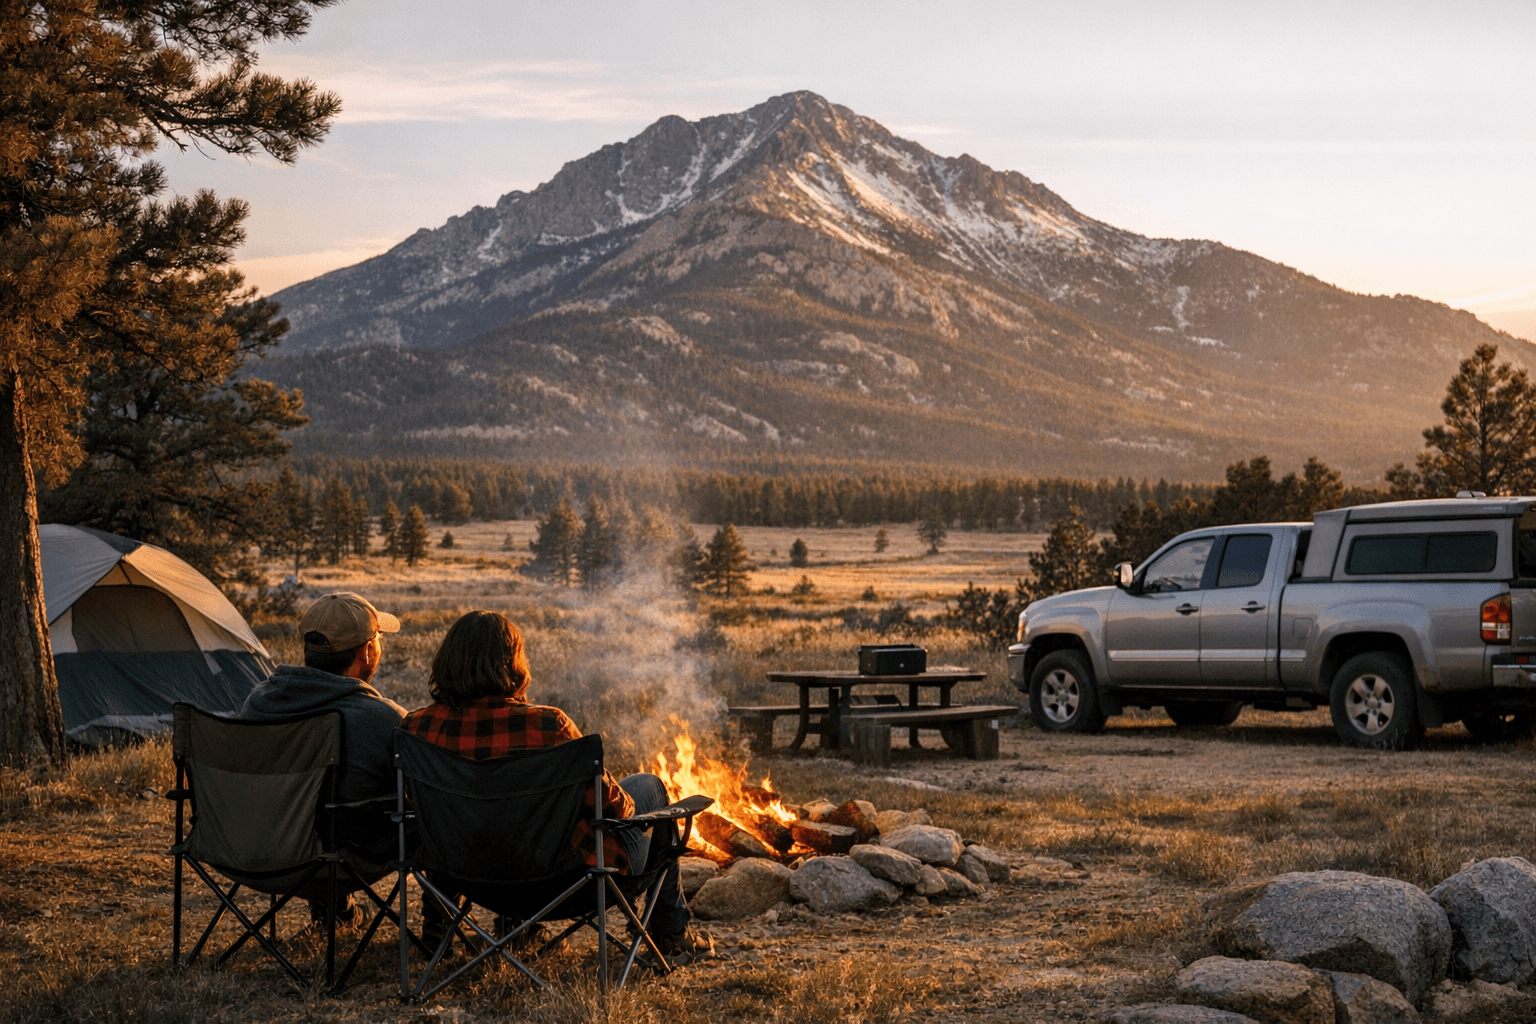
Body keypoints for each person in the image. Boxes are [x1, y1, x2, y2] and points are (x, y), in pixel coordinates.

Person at [403, 610, 709, 963]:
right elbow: (614, 809)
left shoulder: (417, 729)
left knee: (464, 819)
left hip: (468, 876)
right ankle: (672, 934)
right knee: (648, 788)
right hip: (564, 884)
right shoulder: (549, 726)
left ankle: (442, 935)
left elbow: (421, 810)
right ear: (513, 663)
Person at [240, 591, 406, 921]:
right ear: (367, 650)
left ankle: (334, 913)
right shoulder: (383, 719)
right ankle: (440, 934)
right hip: (333, 862)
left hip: (247, 852)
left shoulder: (257, 703)